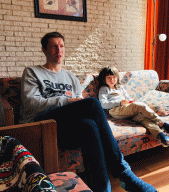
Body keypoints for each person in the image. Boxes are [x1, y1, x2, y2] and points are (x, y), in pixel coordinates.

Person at [19, 32, 157, 192]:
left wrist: (73, 104)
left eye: (61, 46)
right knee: (92, 103)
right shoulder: (32, 72)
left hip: (64, 129)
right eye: (53, 46)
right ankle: (123, 172)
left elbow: (79, 109)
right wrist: (66, 100)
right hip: (41, 124)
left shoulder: (70, 77)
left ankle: (102, 189)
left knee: (89, 125)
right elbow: (31, 102)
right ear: (44, 50)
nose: (59, 50)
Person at [98, 66, 169, 147]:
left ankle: (162, 137)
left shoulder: (120, 87)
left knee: (144, 118)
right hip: (115, 111)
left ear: (117, 77)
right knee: (139, 106)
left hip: (126, 109)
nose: (112, 79)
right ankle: (164, 125)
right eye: (109, 77)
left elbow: (128, 98)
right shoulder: (104, 89)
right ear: (104, 79)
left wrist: (130, 101)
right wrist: (119, 102)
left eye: (114, 77)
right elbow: (103, 104)